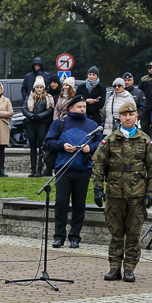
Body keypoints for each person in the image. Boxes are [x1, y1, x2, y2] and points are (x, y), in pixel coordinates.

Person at [92, 102, 152, 282]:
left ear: (136, 116)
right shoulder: (110, 140)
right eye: (124, 115)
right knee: (115, 233)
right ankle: (114, 267)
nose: (128, 118)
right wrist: (98, 188)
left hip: (137, 195)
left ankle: (129, 268)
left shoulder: (145, 140)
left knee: (133, 233)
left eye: (131, 115)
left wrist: (151, 192)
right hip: (115, 194)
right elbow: (98, 164)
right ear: (119, 118)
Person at [44, 95, 103, 249]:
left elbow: (100, 142)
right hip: (63, 168)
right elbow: (48, 141)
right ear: (71, 108)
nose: (82, 109)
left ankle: (75, 237)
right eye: (79, 107)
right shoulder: (59, 123)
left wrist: (91, 148)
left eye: (84, 107)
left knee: (79, 205)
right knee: (61, 202)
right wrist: (62, 146)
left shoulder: (92, 125)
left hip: (83, 170)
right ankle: (59, 236)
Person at [22, 76, 55, 177]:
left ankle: (39, 169)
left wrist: (39, 116)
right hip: (31, 124)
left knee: (41, 147)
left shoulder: (48, 97)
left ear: (43, 88)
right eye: (37, 87)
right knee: (32, 148)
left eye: (41, 87)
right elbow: (24, 109)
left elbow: (50, 110)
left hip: (42, 124)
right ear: (34, 88)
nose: (39, 89)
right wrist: (32, 116)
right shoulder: (29, 97)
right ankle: (33, 169)